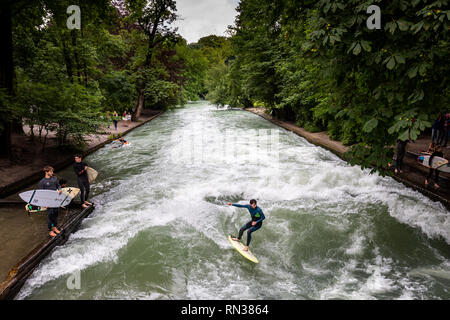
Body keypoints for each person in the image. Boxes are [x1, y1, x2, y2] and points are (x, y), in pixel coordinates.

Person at [38, 166, 62, 237]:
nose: (52, 173)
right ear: (46, 172)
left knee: (56, 214)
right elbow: (41, 194)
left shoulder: (54, 179)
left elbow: (58, 186)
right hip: (48, 201)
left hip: (55, 200)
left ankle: (54, 227)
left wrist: (60, 189)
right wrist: (45, 203)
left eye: (52, 171)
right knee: (50, 215)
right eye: (51, 171)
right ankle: (50, 230)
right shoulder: (42, 182)